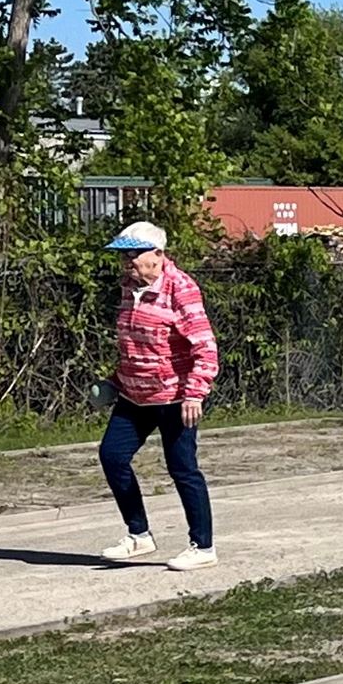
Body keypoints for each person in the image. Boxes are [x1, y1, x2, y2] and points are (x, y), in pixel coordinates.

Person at [98, 221, 220, 570]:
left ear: (159, 254)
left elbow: (205, 347)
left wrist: (195, 393)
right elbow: (133, 343)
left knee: (182, 469)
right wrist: (115, 380)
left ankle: (203, 546)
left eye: (134, 254)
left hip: (175, 397)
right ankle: (139, 535)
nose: (128, 262)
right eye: (124, 255)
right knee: (112, 456)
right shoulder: (128, 287)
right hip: (134, 396)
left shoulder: (181, 288)